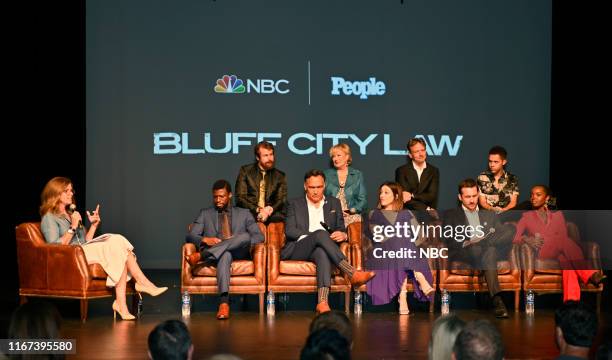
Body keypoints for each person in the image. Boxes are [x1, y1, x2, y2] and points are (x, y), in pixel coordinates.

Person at [39, 177, 167, 321]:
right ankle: (142, 283)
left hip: (83, 252)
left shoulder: (71, 215)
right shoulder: (49, 218)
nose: (71, 194)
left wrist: (93, 225)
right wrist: (73, 227)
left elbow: (86, 241)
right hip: (71, 257)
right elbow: (54, 248)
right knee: (118, 243)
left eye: (71, 190)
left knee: (118, 244)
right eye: (66, 191)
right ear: (55, 194)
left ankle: (122, 303)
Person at [282, 170, 375, 314]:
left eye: (319, 187)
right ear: (305, 186)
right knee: (320, 234)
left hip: (324, 248)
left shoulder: (334, 203)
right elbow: (290, 231)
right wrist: (315, 236)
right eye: (312, 187)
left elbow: (340, 228)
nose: (315, 191)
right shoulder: (294, 203)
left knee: (322, 253)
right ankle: (352, 273)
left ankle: (322, 302)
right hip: (299, 248)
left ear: (324, 185)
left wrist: (343, 235)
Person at [185, 179, 264, 320]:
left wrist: (235, 241)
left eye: (222, 196)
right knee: (225, 254)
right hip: (218, 256)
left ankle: (202, 256)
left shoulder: (244, 213)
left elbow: (259, 237)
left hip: (239, 252)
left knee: (245, 236)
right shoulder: (205, 213)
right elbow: (191, 235)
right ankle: (224, 303)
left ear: (230, 195)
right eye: (215, 197)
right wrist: (205, 239)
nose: (218, 200)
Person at [513, 185, 606, 302]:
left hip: (560, 251)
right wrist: (526, 239)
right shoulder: (526, 217)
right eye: (531, 195)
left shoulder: (558, 215)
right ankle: (590, 274)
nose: (533, 198)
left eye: (538, 195)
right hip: (542, 251)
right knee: (563, 241)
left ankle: (571, 303)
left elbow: (563, 236)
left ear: (547, 198)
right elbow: (515, 237)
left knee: (567, 263)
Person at [442, 178, 515, 318]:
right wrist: (467, 242)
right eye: (467, 197)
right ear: (460, 197)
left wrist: (482, 241)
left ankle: (496, 299)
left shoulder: (488, 214)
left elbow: (502, 233)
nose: (472, 200)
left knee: (507, 232)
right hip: (466, 250)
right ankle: (497, 300)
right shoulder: (451, 215)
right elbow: (448, 239)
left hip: (486, 250)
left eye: (474, 196)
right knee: (482, 248)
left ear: (478, 194)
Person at [363, 182, 435, 315]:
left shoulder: (406, 214)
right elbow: (379, 237)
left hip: (405, 252)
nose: (381, 196)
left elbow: (420, 237)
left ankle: (402, 296)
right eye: (380, 193)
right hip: (384, 253)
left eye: (386, 192)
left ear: (396, 196)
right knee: (399, 241)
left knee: (403, 243)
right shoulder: (374, 214)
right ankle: (419, 277)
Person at [235, 141, 287, 223]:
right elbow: (240, 198)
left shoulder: (280, 175)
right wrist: (258, 210)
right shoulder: (245, 171)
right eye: (265, 155)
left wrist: (268, 210)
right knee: (245, 217)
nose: (270, 159)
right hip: (250, 212)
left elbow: (281, 200)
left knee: (282, 217)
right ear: (257, 157)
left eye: (271, 154)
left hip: (271, 215)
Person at [323, 143, 367, 226]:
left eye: (338, 155)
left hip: (350, 214)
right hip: (331, 214)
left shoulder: (357, 175)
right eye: (333, 156)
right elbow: (321, 198)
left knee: (357, 221)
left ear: (347, 157)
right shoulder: (326, 175)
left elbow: (363, 201)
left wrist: (351, 211)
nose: (335, 159)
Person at [395, 138, 440, 213]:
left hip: (429, 218)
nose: (421, 154)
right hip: (408, 216)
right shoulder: (401, 171)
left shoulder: (434, 170)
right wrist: (426, 209)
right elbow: (405, 198)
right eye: (416, 151)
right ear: (410, 155)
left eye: (423, 150)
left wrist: (412, 195)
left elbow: (431, 196)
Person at [477, 145, 519, 214]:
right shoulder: (482, 177)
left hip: (506, 215)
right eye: (490, 161)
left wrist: (503, 210)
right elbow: (482, 202)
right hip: (488, 216)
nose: (492, 165)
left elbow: (513, 202)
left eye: (496, 162)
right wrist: (492, 209)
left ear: (504, 162)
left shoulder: (512, 178)